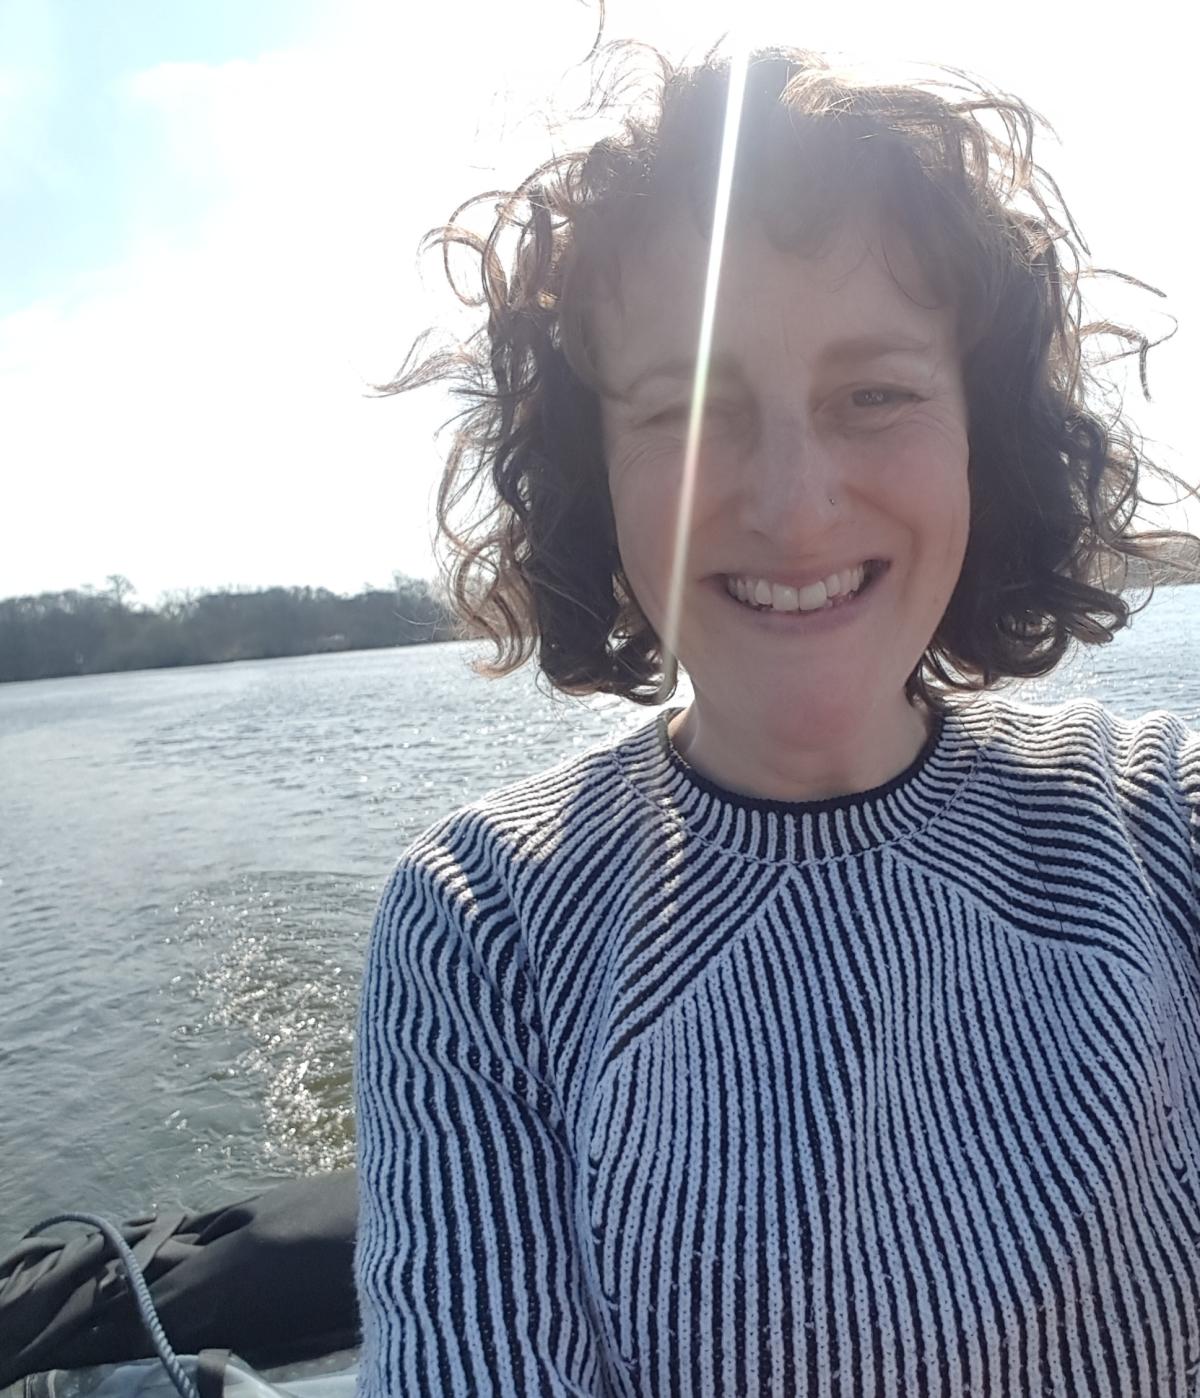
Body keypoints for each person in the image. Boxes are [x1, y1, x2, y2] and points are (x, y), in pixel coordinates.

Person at [353, 42, 1200, 1397]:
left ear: (983, 436)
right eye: (689, 409)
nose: (795, 503)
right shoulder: (482, 924)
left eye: (876, 394)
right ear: (594, 472)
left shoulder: (1164, 818)